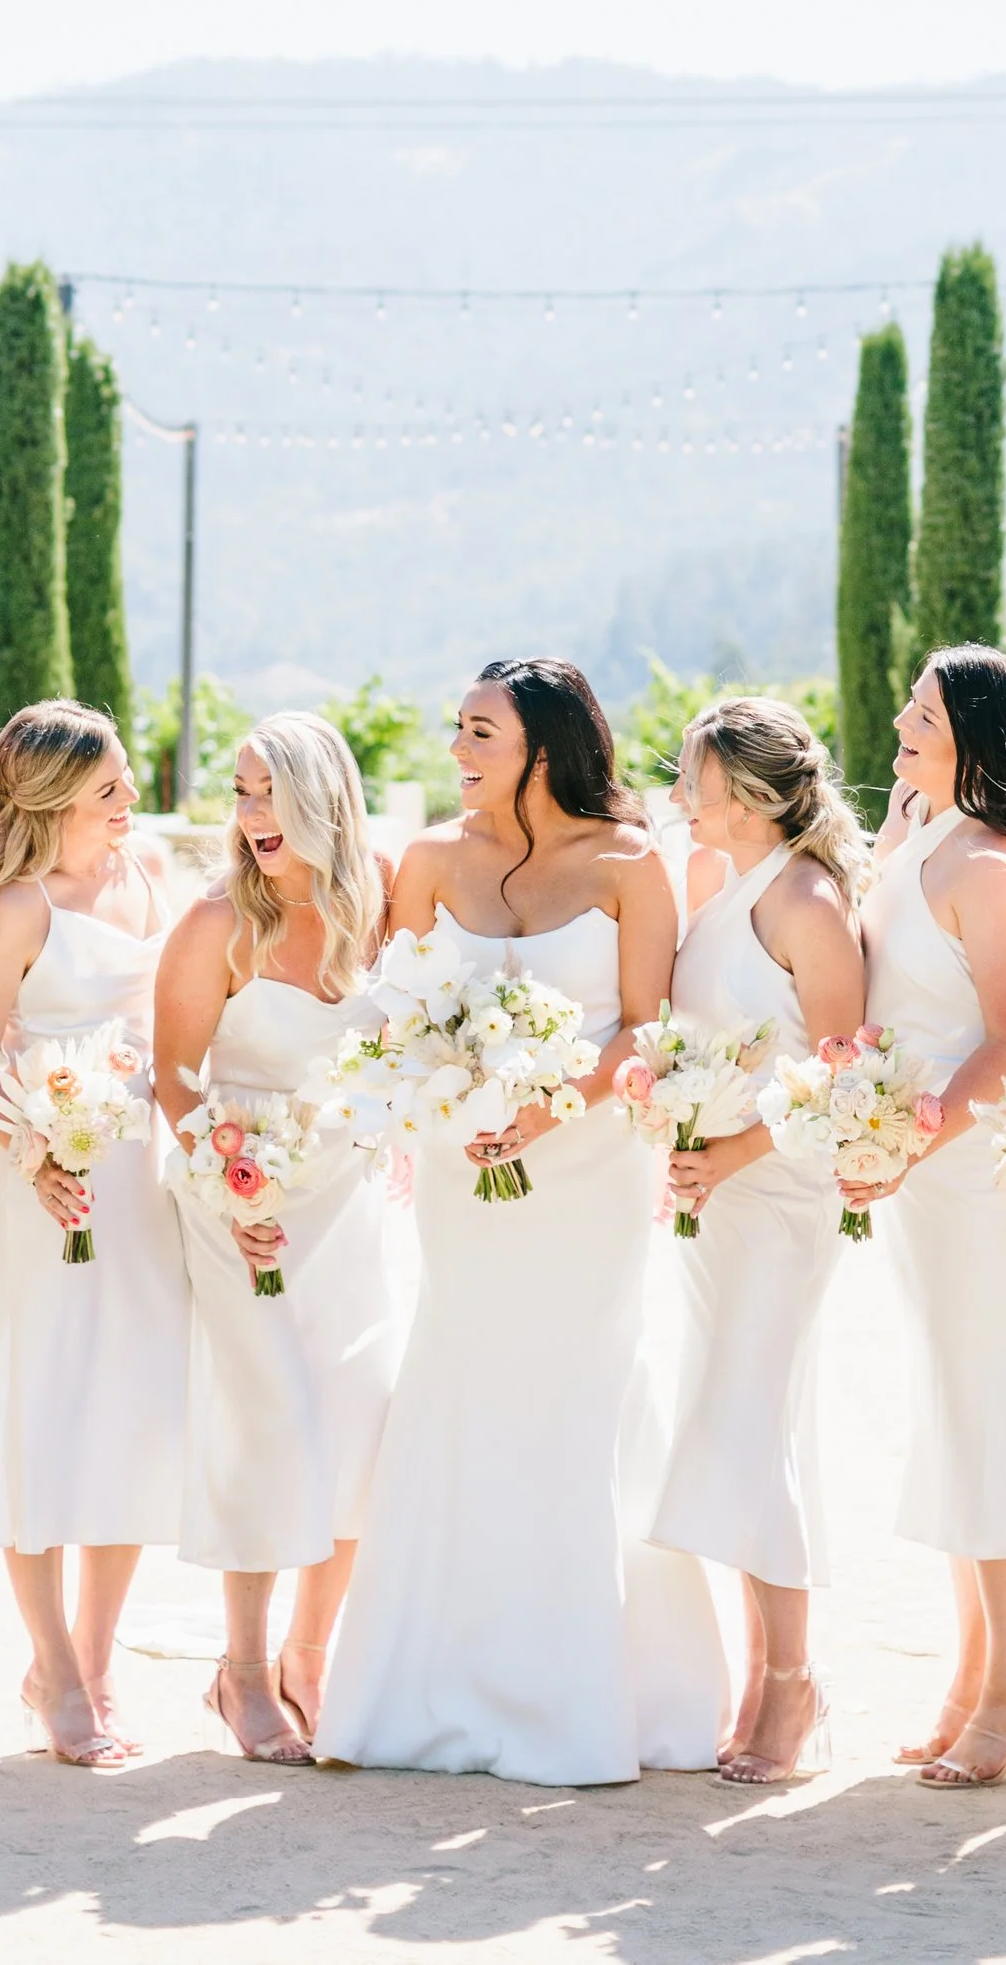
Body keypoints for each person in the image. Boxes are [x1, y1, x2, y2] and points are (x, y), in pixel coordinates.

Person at [315, 656, 724, 1785]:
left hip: (585, 1170)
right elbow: (397, 1014)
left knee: (574, 1393)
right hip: (460, 1168)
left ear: (544, 746)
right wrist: (432, 1106)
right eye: (458, 728)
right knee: (459, 1384)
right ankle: (426, 1688)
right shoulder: (430, 861)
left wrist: (551, 1107)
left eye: (480, 731)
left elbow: (643, 1029)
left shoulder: (635, 866)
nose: (458, 748)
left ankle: (582, 1692)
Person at [0, 701, 188, 1766]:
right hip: (42, 1190)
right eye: (109, 789)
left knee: (131, 1409)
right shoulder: (16, 909)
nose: (131, 799)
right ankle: (54, 1665)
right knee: (41, 1409)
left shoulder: (148, 881)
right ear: (52, 803)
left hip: (136, 1185)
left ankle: (94, 1655)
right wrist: (36, 1155)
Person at [855, 644, 1006, 1789]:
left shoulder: (994, 868)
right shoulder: (921, 837)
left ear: (979, 738)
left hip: (987, 1173)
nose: (902, 717)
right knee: (953, 1414)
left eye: (927, 709)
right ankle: (973, 1680)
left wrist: (908, 1130)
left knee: (997, 1419)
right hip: (931, 1179)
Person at [152, 715, 400, 1762]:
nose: (249, 815)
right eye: (241, 793)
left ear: (321, 798)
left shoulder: (380, 902)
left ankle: (309, 1655)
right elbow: (170, 1078)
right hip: (235, 1203)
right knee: (268, 1426)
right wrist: (230, 1186)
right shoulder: (217, 925)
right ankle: (241, 1672)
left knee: (358, 1431)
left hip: (350, 1204)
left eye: (268, 793)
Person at [647, 693, 869, 1785]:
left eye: (691, 778)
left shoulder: (807, 902)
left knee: (755, 1424)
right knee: (729, 1423)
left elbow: (842, 1069)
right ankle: (759, 1673)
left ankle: (792, 1682)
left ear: (739, 793)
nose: (678, 795)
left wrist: (732, 1151)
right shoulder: (712, 884)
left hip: (779, 1197)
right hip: (709, 1200)